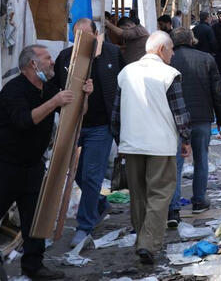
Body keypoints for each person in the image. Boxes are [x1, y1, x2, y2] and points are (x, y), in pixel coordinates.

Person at [0, 45, 92, 280]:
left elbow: (76, 113)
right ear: (33, 64)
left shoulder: (47, 88)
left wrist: (84, 96)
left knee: (34, 222)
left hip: (32, 166)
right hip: (7, 166)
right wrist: (54, 102)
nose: (52, 61)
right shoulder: (14, 90)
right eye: (47, 57)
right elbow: (23, 121)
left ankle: (34, 266)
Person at [112, 31, 191, 265]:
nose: (173, 53)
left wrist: (120, 140)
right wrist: (185, 139)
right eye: (171, 49)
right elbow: (179, 112)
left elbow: (115, 112)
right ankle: (148, 243)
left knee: (139, 195)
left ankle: (142, 240)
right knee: (160, 194)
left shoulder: (126, 72)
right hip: (160, 145)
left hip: (131, 144)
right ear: (161, 50)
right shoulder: (169, 74)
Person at [54, 19, 123, 248]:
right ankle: (100, 203)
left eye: (86, 35)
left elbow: (122, 85)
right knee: (77, 174)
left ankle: (84, 226)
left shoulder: (111, 54)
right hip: (74, 125)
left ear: (96, 34)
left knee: (92, 175)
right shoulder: (65, 57)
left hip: (101, 126)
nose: (81, 40)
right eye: (77, 35)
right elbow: (57, 88)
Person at [167, 28, 221, 226]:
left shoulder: (168, 60)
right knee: (201, 158)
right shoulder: (206, 58)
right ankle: (199, 200)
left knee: (176, 163)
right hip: (201, 116)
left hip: (175, 119)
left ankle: (173, 208)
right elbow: (217, 91)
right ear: (192, 40)